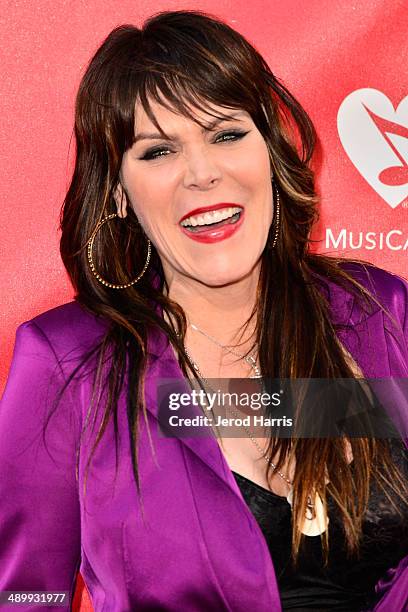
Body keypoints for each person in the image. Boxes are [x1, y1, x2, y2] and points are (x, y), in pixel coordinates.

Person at [0, 9, 407, 612]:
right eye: (159, 151)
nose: (202, 174)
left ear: (269, 152)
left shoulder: (381, 314)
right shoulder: (69, 366)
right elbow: (27, 596)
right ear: (117, 190)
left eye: (225, 134)